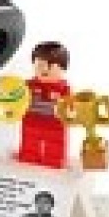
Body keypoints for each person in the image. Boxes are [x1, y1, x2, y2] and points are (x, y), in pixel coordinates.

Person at [17, 40, 71, 168]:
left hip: (55, 125)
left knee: (55, 146)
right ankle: (29, 157)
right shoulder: (27, 85)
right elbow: (17, 100)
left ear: (63, 68)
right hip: (31, 122)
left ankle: (54, 160)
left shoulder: (64, 89)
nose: (44, 69)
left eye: (51, 66)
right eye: (40, 65)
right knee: (29, 144)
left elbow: (70, 106)